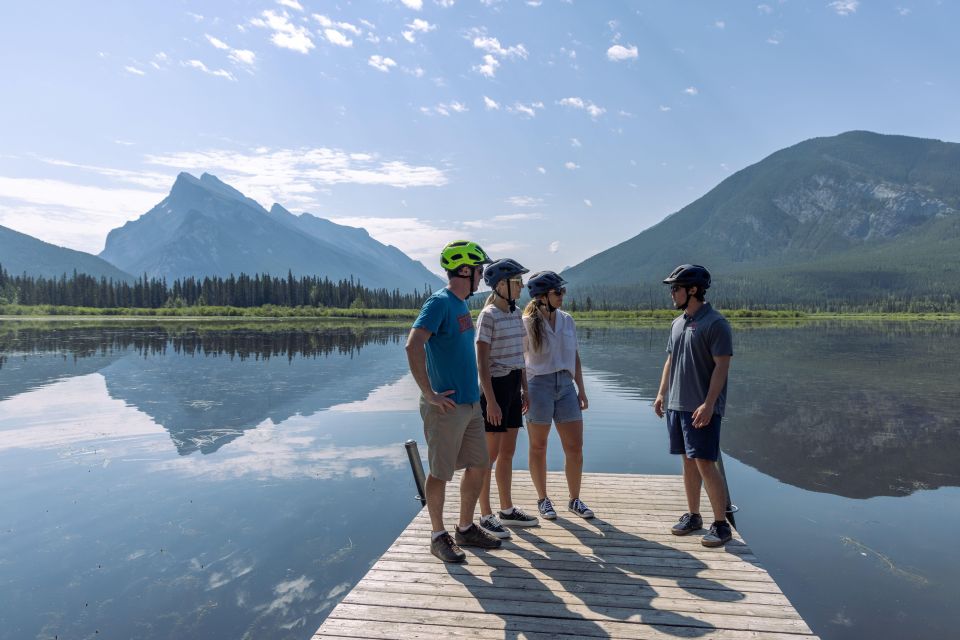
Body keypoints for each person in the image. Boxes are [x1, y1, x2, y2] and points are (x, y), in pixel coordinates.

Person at [405, 240, 502, 563]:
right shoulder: (439, 302)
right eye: (479, 270)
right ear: (465, 270)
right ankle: (437, 535)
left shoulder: (461, 305)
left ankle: (464, 527)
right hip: (445, 407)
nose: (482, 276)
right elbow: (413, 345)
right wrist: (429, 393)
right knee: (441, 471)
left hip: (470, 404)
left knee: (479, 465)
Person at [653, 264, 734, 547]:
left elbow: (722, 367)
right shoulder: (677, 323)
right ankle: (694, 515)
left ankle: (721, 524)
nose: (671, 294)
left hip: (701, 408)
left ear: (693, 290)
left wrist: (709, 404)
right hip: (676, 405)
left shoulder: (716, 323)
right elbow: (671, 361)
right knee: (687, 462)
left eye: (675, 289)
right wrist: (662, 393)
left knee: (705, 463)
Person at [475, 258, 540, 539]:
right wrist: (490, 401)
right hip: (495, 387)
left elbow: (520, 357)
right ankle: (485, 515)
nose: (522, 287)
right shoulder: (488, 315)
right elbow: (481, 362)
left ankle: (506, 509)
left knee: (508, 453)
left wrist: (524, 387)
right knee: (488, 456)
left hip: (514, 384)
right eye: (517, 282)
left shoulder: (514, 314)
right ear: (501, 285)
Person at [522, 270, 594, 521]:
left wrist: (581, 389)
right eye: (557, 292)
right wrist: (523, 391)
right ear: (542, 296)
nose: (562, 295)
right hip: (537, 386)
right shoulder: (527, 323)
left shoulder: (567, 320)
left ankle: (575, 499)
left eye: (563, 291)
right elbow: (520, 362)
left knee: (575, 447)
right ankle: (543, 499)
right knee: (538, 446)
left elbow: (574, 356)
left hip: (565, 387)